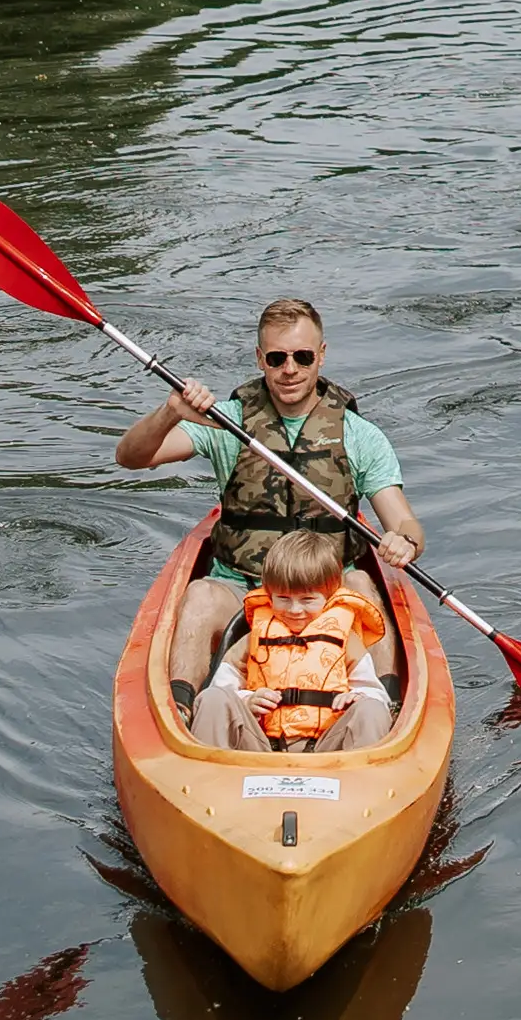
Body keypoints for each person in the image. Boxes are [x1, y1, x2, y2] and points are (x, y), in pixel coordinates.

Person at [114, 297, 428, 699]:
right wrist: (171, 412)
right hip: (243, 588)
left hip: (325, 593)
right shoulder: (226, 420)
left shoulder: (358, 434)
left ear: (322, 356)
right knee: (199, 596)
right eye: (277, 357)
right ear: (260, 358)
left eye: (302, 356)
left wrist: (405, 541)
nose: (290, 369)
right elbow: (131, 458)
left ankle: (383, 706)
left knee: (362, 583)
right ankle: (183, 711)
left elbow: (403, 522)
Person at [189, 526, 396, 752]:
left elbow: (376, 695)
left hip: (328, 748)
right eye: (284, 599)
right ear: (269, 593)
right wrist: (247, 700)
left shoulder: (348, 641)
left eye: (307, 599)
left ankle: (365, 779)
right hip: (259, 746)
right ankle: (209, 773)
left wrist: (355, 698)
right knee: (212, 699)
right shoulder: (251, 640)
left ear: (329, 596)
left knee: (371, 709)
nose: (295, 609)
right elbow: (222, 687)